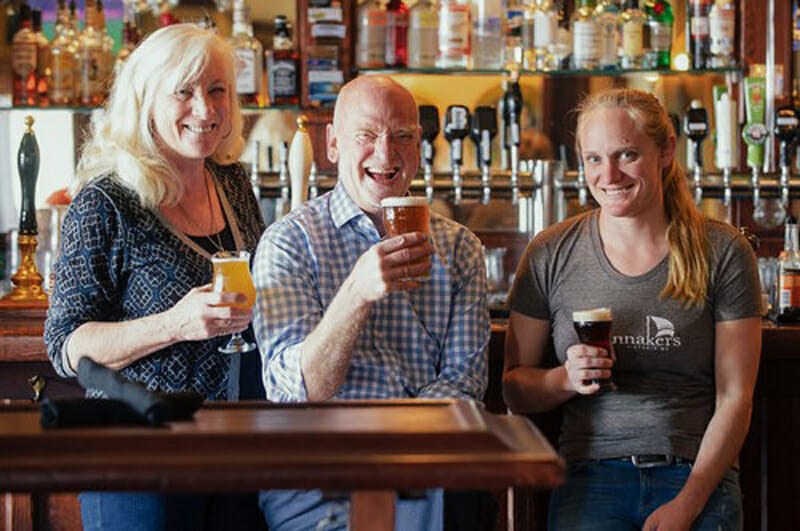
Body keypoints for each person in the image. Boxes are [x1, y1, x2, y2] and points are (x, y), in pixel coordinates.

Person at [503, 88, 761, 530]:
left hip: (696, 475)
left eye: (626, 155)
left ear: (665, 151)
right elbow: (514, 389)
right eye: (593, 159)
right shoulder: (550, 252)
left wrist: (689, 502)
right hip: (590, 477)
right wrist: (565, 378)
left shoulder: (722, 250)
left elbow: (735, 397)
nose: (609, 175)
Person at [44, 24, 266, 531]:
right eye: (183, 92)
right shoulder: (106, 201)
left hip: (235, 447)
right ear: (145, 102)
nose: (205, 110)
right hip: (135, 455)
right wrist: (174, 324)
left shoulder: (232, 181)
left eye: (217, 91)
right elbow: (66, 347)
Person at [252, 75, 492, 530]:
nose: (385, 154)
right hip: (319, 473)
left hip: (425, 463)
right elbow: (296, 393)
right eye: (367, 135)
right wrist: (356, 293)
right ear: (335, 144)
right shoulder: (291, 242)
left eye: (401, 136)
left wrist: (399, 447)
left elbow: (464, 384)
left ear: (419, 145)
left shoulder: (460, 248)